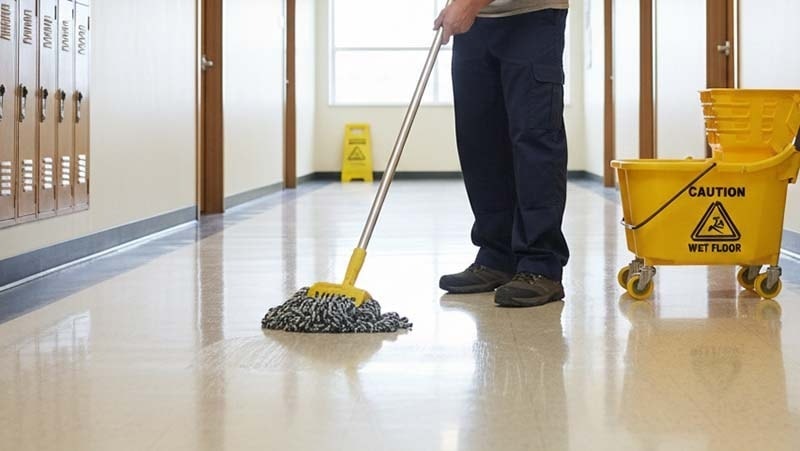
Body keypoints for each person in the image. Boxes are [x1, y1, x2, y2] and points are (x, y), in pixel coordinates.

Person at [436, 0, 570, 307]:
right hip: (475, 24)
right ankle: (496, 256)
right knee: (480, 140)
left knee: (534, 136)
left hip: (532, 15)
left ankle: (541, 264)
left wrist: (469, 3)